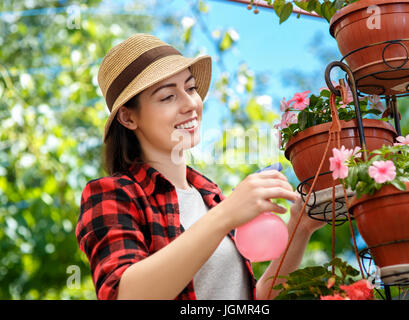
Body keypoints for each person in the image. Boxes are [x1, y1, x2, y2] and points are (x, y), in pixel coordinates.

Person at [75, 33, 326, 300]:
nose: (190, 104)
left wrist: (300, 227)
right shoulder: (112, 195)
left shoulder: (210, 195)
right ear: (128, 117)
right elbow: (125, 296)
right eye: (168, 97)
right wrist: (226, 215)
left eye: (191, 88)